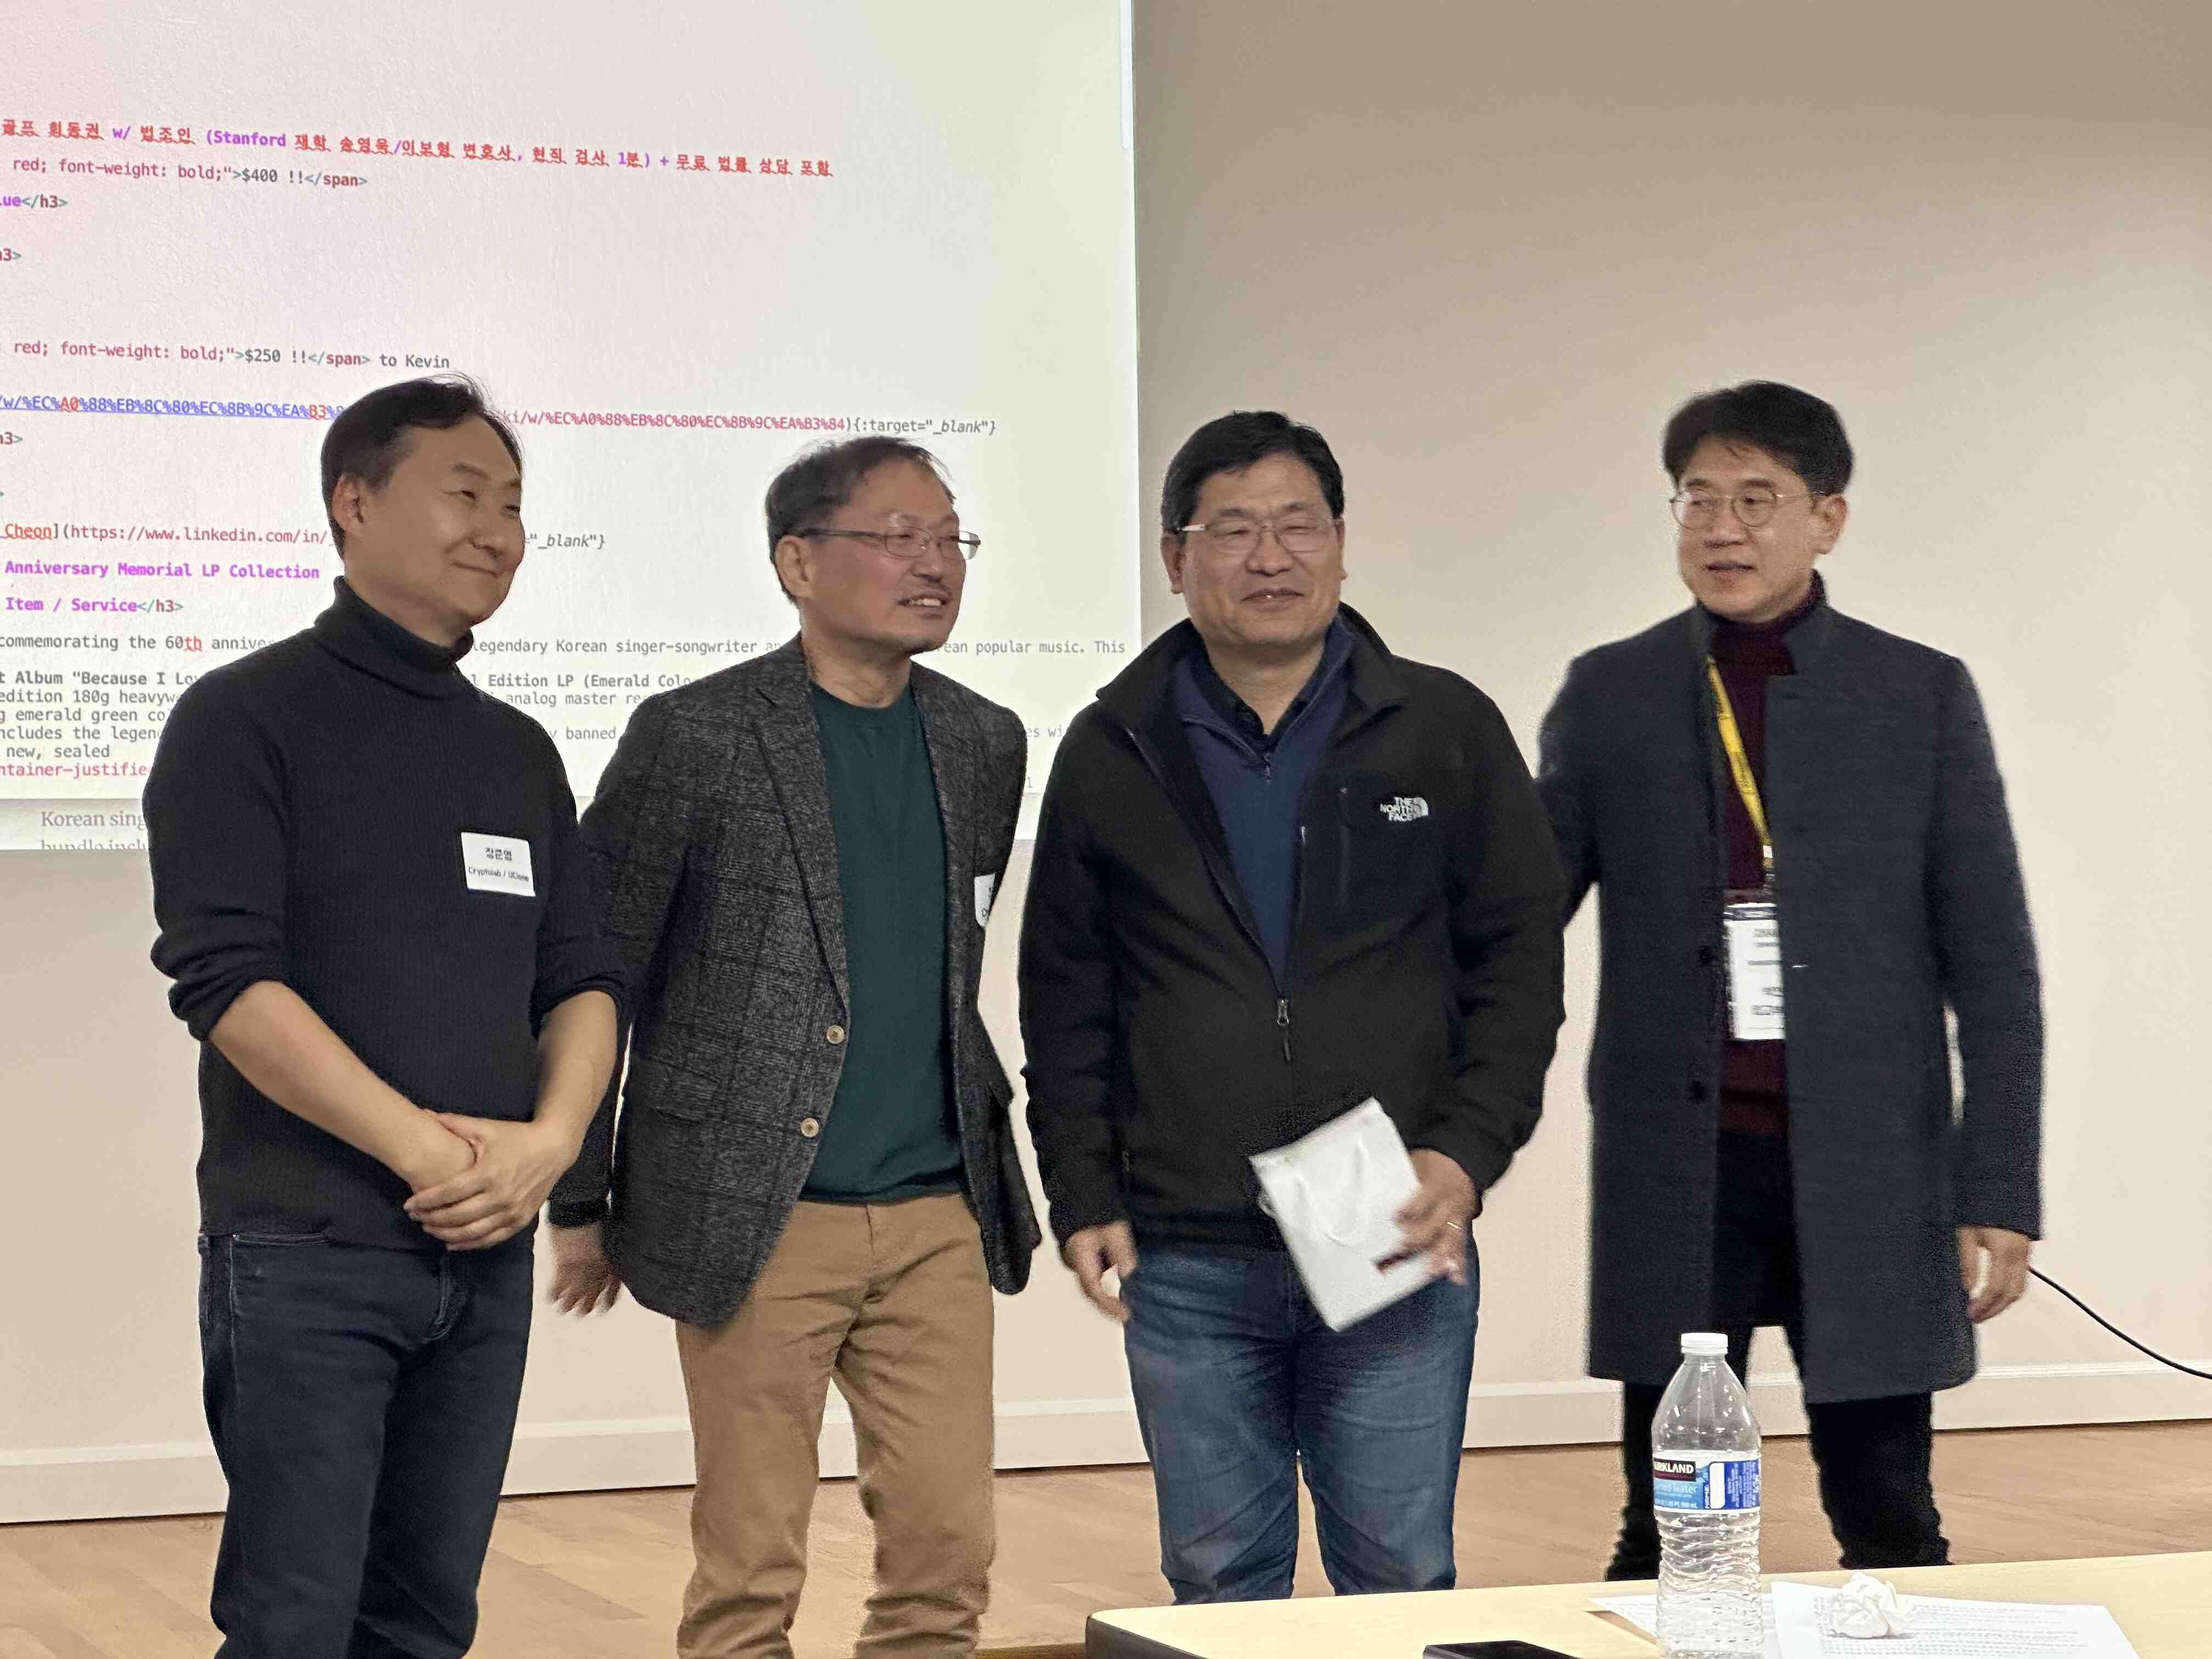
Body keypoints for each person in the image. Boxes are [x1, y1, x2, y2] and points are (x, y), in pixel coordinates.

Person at [1019, 410, 1565, 1604]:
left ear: (1341, 544)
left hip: (1392, 1225)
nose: (1270, 557)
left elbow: (1520, 967)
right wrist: (1083, 1188)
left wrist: (1465, 1152)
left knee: (1400, 1573)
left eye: (1297, 526)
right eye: (1233, 530)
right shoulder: (1112, 746)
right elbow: (1065, 993)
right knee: (1219, 1581)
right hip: (1186, 1242)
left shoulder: (1444, 727)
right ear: (1176, 558)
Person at [144, 375, 622, 1657]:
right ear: (353, 505)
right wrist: (424, 1152)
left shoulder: (517, 749)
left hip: (485, 1252)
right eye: (465, 495)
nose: (497, 533)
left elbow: (582, 977)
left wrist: (551, 1145)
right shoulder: (243, 716)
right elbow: (228, 982)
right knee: (294, 1625)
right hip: (308, 1249)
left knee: (423, 1623)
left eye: (513, 506)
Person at [1536, 380, 2044, 1578]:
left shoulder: (1917, 692)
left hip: (1871, 1161)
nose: (1723, 529)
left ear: (1829, 519)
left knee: (1888, 1510)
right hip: (1683, 1155)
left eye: (1757, 499)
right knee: (1669, 1523)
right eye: (1698, 499)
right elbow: (1517, 917)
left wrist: (2000, 1183)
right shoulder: (1612, 691)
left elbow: (1995, 964)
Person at [545, 435, 1039, 1658]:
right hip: (756, 1207)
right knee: (751, 1567)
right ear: (798, 563)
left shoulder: (985, 738)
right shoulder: (698, 736)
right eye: (899, 537)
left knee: (947, 1553)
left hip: (938, 1207)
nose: (935, 564)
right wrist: (581, 1194)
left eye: (950, 539)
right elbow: (598, 972)